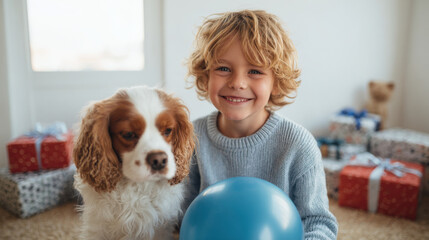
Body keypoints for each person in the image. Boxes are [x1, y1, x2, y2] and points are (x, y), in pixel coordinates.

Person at [183, 9, 338, 239]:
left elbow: (319, 223)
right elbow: (180, 214)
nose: (237, 83)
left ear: (276, 82)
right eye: (223, 68)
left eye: (255, 71)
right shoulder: (191, 138)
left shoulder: (298, 144)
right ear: (206, 76)